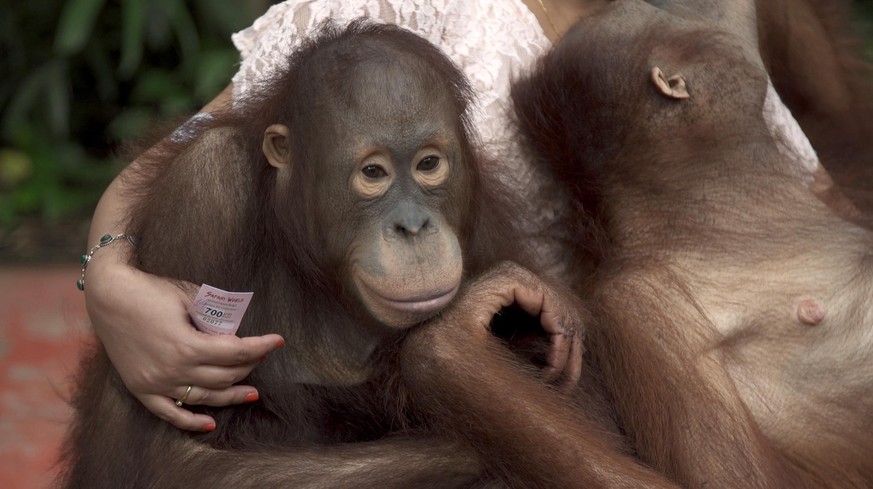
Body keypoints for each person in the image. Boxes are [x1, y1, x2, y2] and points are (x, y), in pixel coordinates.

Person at [83, 0, 837, 432]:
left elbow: (801, 194)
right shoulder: (393, 8)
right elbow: (195, 146)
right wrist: (108, 274)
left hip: (625, 371)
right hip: (428, 377)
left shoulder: (689, 19)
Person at [83, 0, 601, 432]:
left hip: (490, 349)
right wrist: (107, 277)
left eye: (430, 164)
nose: (413, 225)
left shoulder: (651, 35)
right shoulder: (386, 12)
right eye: (372, 173)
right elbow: (175, 158)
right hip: (319, 358)